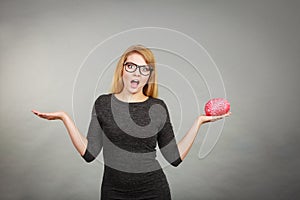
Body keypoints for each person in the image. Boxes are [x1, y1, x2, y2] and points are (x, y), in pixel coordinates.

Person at [32, 45, 231, 199]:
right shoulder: (103, 104)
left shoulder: (158, 107)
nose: (137, 73)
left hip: (153, 191)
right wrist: (64, 118)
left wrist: (198, 122)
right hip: (113, 192)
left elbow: (173, 158)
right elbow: (89, 154)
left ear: (149, 76)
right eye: (131, 66)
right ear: (122, 70)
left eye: (144, 69)